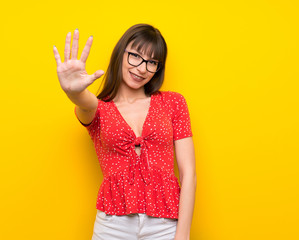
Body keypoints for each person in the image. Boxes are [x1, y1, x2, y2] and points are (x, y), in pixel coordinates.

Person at [53, 24, 196, 240]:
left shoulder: (173, 103)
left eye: (151, 62)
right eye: (135, 56)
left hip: (165, 225)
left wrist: (182, 234)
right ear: (121, 53)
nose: (141, 68)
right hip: (112, 226)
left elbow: (189, 173)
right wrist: (73, 90)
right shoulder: (99, 109)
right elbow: (85, 103)